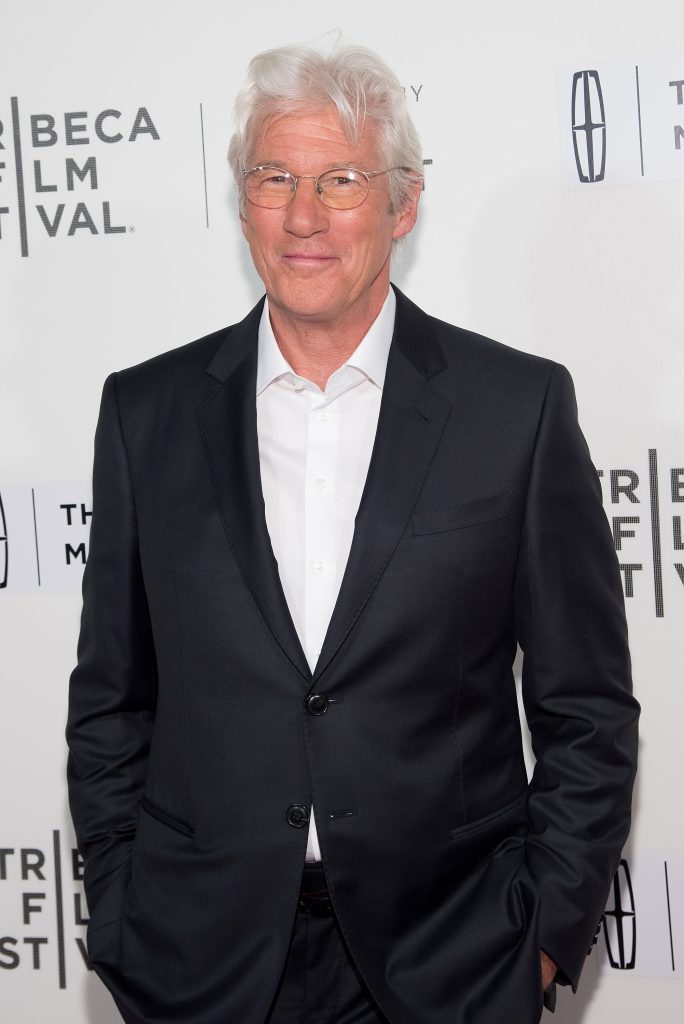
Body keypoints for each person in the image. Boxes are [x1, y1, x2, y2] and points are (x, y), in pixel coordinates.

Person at [66, 40, 639, 1024]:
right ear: (241, 201)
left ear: (402, 205)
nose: (302, 215)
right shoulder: (144, 415)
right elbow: (112, 703)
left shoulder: (516, 410)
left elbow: (587, 711)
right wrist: (124, 915)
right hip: (204, 969)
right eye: (274, 177)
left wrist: (539, 943)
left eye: (339, 179)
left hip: (449, 963)